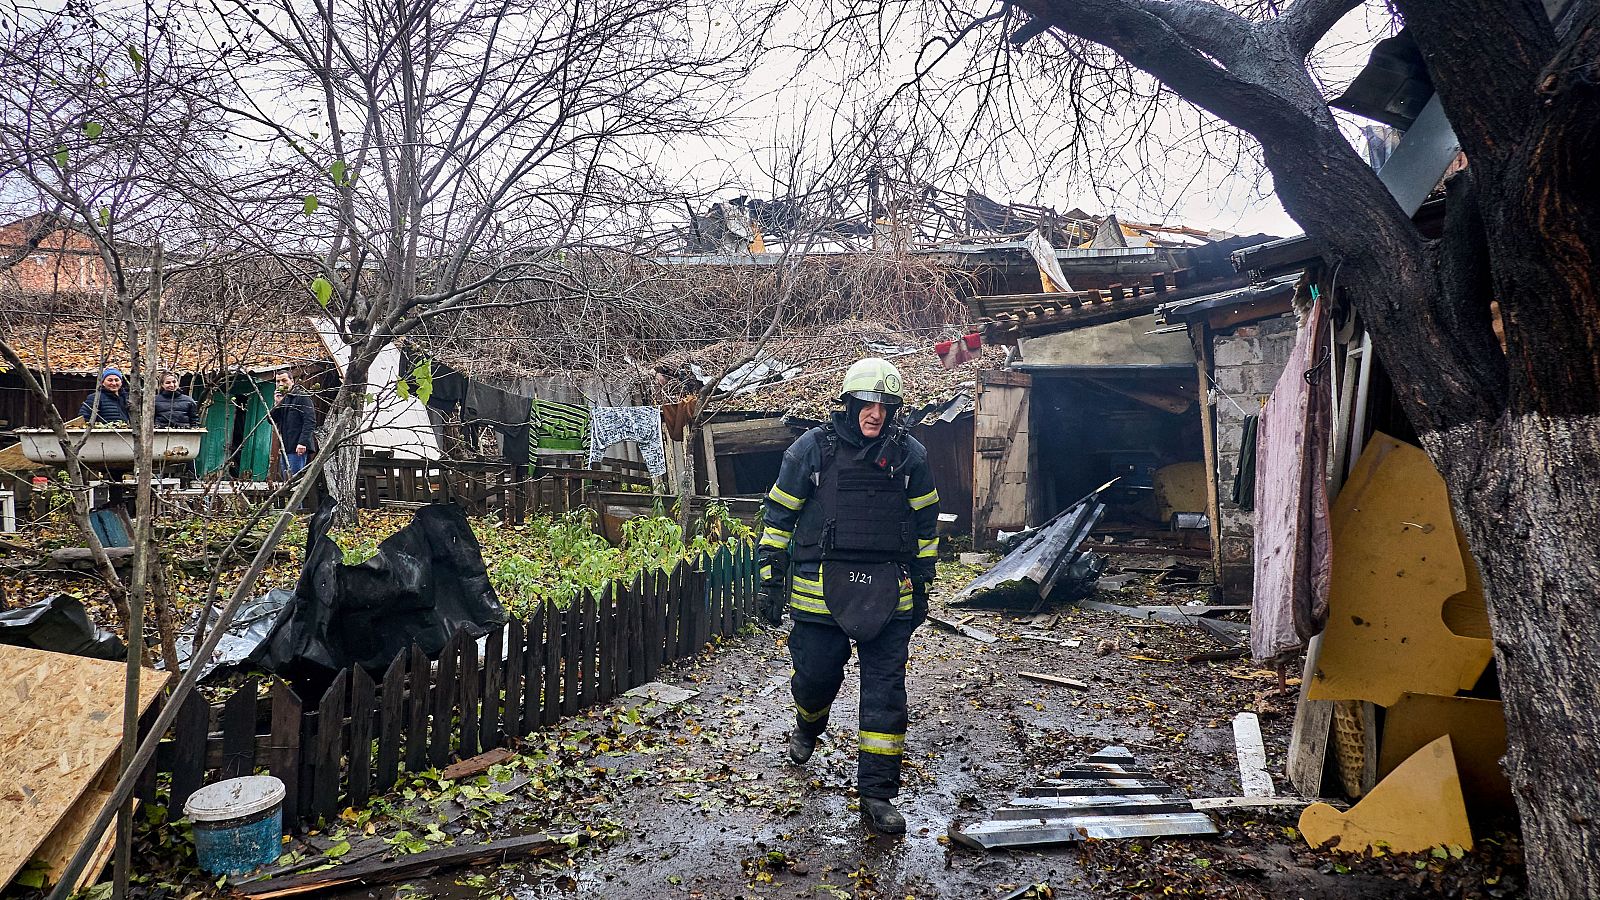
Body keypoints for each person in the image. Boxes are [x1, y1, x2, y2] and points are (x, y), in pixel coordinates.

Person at [757, 357, 941, 835]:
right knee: (816, 677)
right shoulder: (811, 451)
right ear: (850, 402)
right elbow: (778, 518)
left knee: (885, 694)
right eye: (867, 402)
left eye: (885, 405)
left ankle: (877, 794)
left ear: (895, 410)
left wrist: (922, 584)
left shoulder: (911, 458)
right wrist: (768, 579)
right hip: (819, 596)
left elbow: (925, 525)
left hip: (890, 596)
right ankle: (808, 726)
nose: (875, 413)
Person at [269, 370, 317, 477]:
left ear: (292, 381)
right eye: (278, 381)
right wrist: (277, 404)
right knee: (287, 479)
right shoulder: (283, 399)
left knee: (294, 480)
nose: (281, 384)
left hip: (297, 447)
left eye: (284, 380)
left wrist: (303, 442)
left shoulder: (301, 397)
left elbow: (310, 421)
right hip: (285, 447)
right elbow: (271, 420)